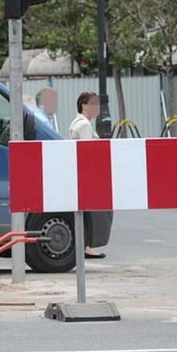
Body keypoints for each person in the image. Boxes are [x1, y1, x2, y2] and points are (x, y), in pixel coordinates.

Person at [69, 91, 106, 259]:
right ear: (84, 106)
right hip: (85, 174)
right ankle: (86, 246)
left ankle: (86, 245)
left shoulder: (77, 122)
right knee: (88, 212)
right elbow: (87, 151)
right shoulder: (85, 125)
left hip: (79, 173)